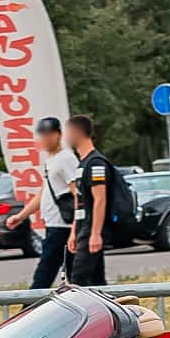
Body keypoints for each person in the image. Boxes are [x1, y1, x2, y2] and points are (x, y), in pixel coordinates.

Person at [65, 113, 124, 287]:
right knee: (96, 280)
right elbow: (79, 201)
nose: (65, 137)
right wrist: (73, 232)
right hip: (83, 227)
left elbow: (100, 199)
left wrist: (96, 233)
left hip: (92, 228)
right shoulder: (82, 164)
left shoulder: (96, 163)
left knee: (78, 279)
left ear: (77, 133)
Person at [24, 114, 74, 289]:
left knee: (45, 273)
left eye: (49, 134)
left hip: (64, 226)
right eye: (42, 134)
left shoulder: (66, 158)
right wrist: (21, 216)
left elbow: (77, 193)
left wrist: (77, 226)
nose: (45, 138)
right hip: (54, 225)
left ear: (58, 135)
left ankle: (30, 304)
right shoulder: (50, 160)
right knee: (75, 273)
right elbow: (44, 193)